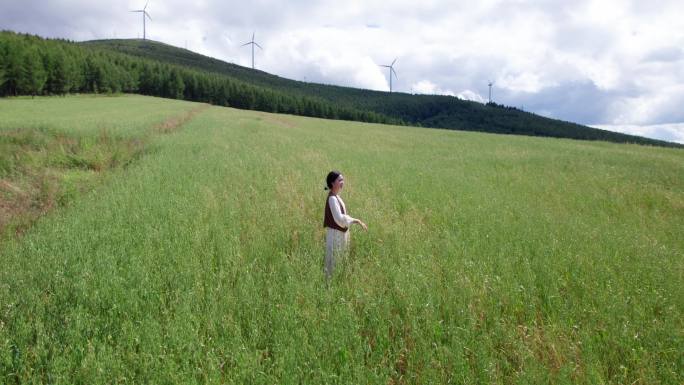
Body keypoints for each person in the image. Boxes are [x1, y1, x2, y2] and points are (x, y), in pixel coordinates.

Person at [323, 170, 367, 280]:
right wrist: (355, 220)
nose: (342, 182)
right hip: (335, 235)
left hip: (340, 234)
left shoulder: (337, 197)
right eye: (340, 180)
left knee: (339, 259)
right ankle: (330, 284)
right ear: (333, 183)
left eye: (343, 180)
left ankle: (337, 281)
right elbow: (339, 219)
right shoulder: (332, 199)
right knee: (334, 260)